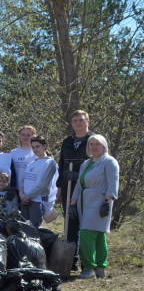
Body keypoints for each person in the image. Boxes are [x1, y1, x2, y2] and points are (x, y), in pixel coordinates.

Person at [70, 134, 119, 279]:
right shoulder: (86, 163)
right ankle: (100, 269)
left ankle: (89, 267)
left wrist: (107, 201)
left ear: (104, 146)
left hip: (100, 201)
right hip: (85, 201)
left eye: (98, 144)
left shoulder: (109, 162)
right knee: (98, 235)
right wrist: (73, 203)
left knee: (88, 233)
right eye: (91, 144)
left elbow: (113, 182)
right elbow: (79, 184)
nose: (94, 147)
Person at [57, 110, 94, 265]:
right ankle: (72, 259)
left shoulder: (94, 141)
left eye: (81, 120)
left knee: (86, 225)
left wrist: (78, 174)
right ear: (72, 123)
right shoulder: (67, 141)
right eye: (75, 120)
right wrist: (59, 187)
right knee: (70, 223)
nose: (78, 123)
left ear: (88, 122)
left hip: (87, 188)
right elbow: (61, 163)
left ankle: (87, 261)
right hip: (68, 187)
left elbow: (98, 164)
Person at [20, 136, 58, 228]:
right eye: (33, 147)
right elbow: (23, 181)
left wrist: (29, 196)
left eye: (37, 147)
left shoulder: (50, 163)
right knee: (24, 229)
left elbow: (44, 185)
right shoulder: (31, 163)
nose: (35, 149)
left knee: (35, 230)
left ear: (44, 146)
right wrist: (21, 194)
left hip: (37, 201)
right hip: (25, 201)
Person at [10, 125, 37, 192]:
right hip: (14, 189)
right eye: (23, 135)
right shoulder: (13, 152)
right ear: (19, 136)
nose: (25, 137)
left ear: (33, 136)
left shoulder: (36, 153)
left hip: (30, 189)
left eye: (28, 135)